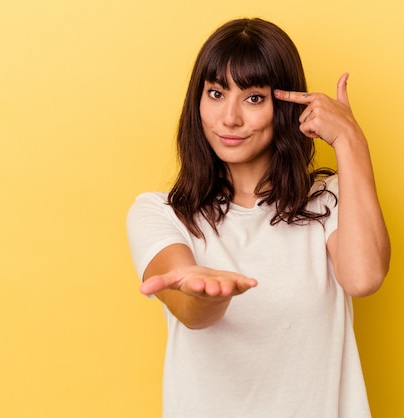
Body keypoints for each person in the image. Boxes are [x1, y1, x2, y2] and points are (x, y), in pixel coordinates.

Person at [127, 17, 390, 418]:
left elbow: (364, 277)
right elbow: (192, 313)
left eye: (253, 98)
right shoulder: (161, 212)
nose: (229, 117)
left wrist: (350, 140)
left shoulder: (328, 201)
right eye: (216, 93)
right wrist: (204, 291)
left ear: (284, 107)